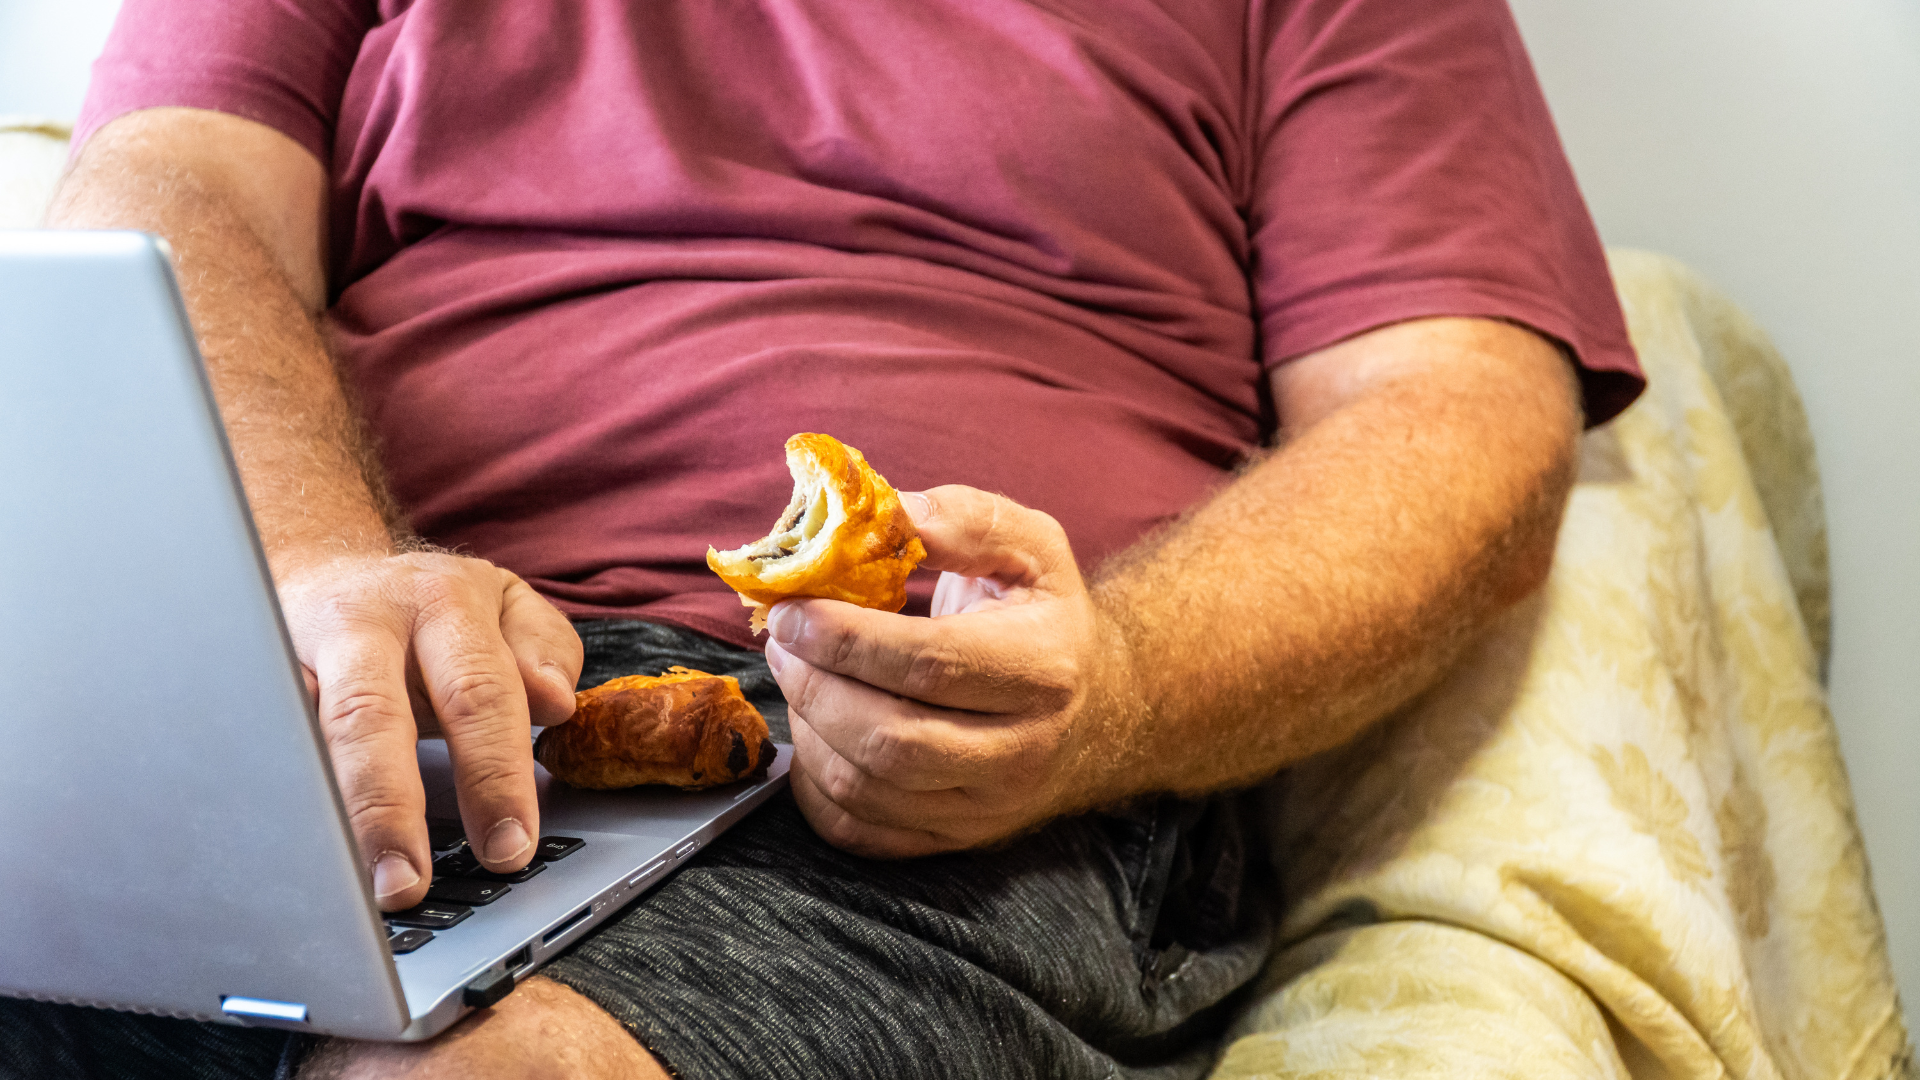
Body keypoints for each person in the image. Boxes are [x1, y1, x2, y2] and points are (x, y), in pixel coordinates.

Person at [2, 0, 1644, 1076]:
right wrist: (312, 567)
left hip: (910, 768)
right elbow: (167, 193)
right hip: (358, 669)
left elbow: (1461, 416)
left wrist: (1117, 688)